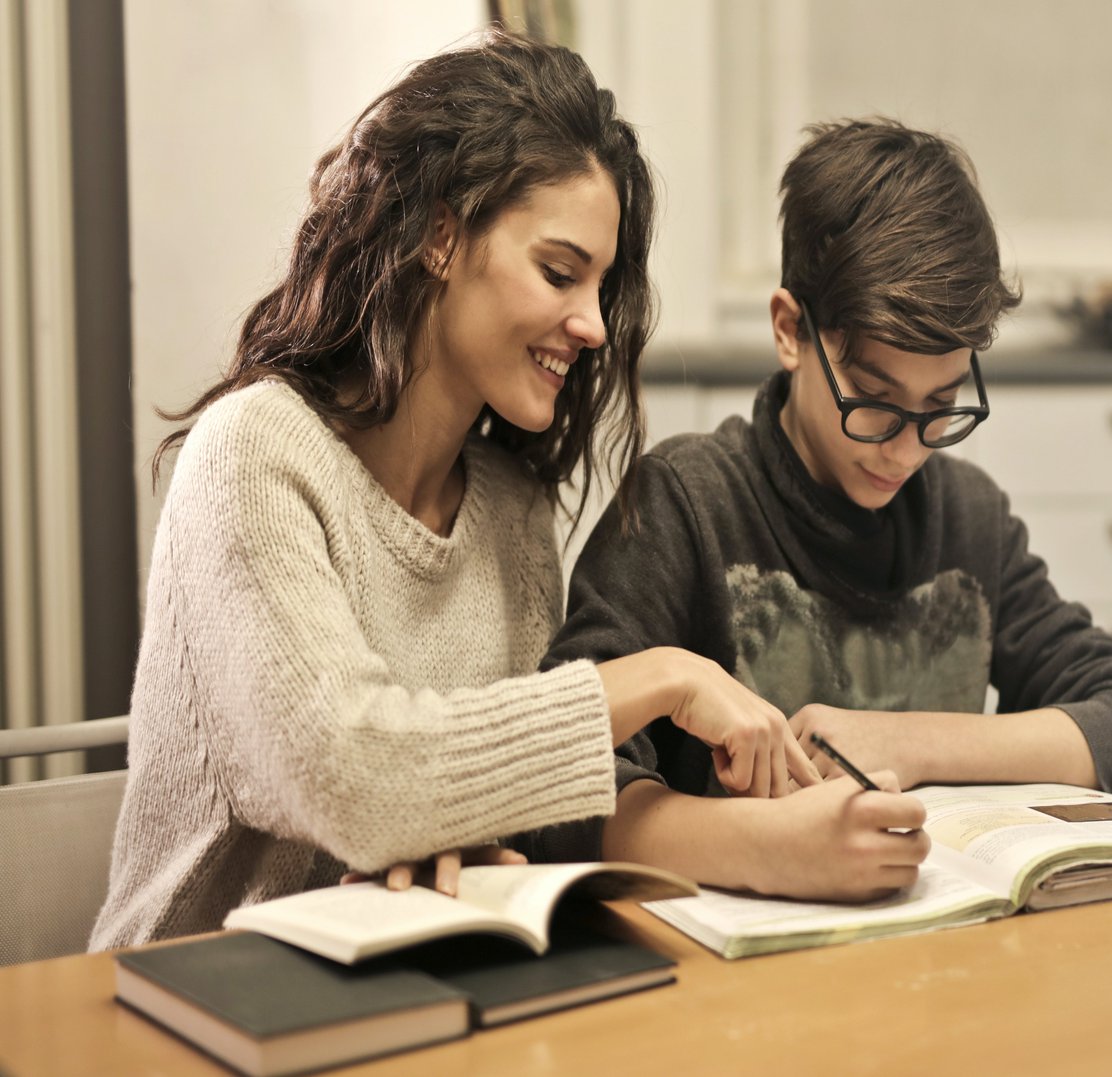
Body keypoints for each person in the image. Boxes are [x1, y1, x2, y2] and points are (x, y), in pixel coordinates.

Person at [91, 31, 816, 951]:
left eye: (601, 284)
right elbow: (357, 779)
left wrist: (447, 842)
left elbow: (461, 818)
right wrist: (662, 676)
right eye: (559, 272)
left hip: (409, 997)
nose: (592, 324)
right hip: (185, 1007)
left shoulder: (513, 515)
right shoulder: (254, 458)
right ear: (440, 233)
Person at [536, 119, 1112, 902]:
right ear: (789, 330)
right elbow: (551, 788)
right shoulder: (686, 506)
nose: (905, 451)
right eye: (873, 403)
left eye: (939, 407)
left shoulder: (968, 520)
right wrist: (764, 847)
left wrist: (907, 741)